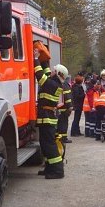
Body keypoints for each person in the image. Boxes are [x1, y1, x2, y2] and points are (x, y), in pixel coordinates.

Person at [33, 41, 66, 179]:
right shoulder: (54, 81)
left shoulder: (52, 84)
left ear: (57, 73)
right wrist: (43, 58)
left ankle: (58, 171)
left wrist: (35, 59)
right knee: (45, 145)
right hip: (45, 118)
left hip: (48, 118)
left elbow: (41, 77)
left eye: (54, 70)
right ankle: (49, 168)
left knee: (50, 145)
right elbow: (46, 71)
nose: (51, 70)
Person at [56, 73, 73, 144]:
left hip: (58, 108)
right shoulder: (65, 85)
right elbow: (67, 96)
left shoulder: (57, 83)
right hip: (64, 109)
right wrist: (70, 106)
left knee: (59, 124)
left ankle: (60, 137)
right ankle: (63, 138)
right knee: (63, 124)